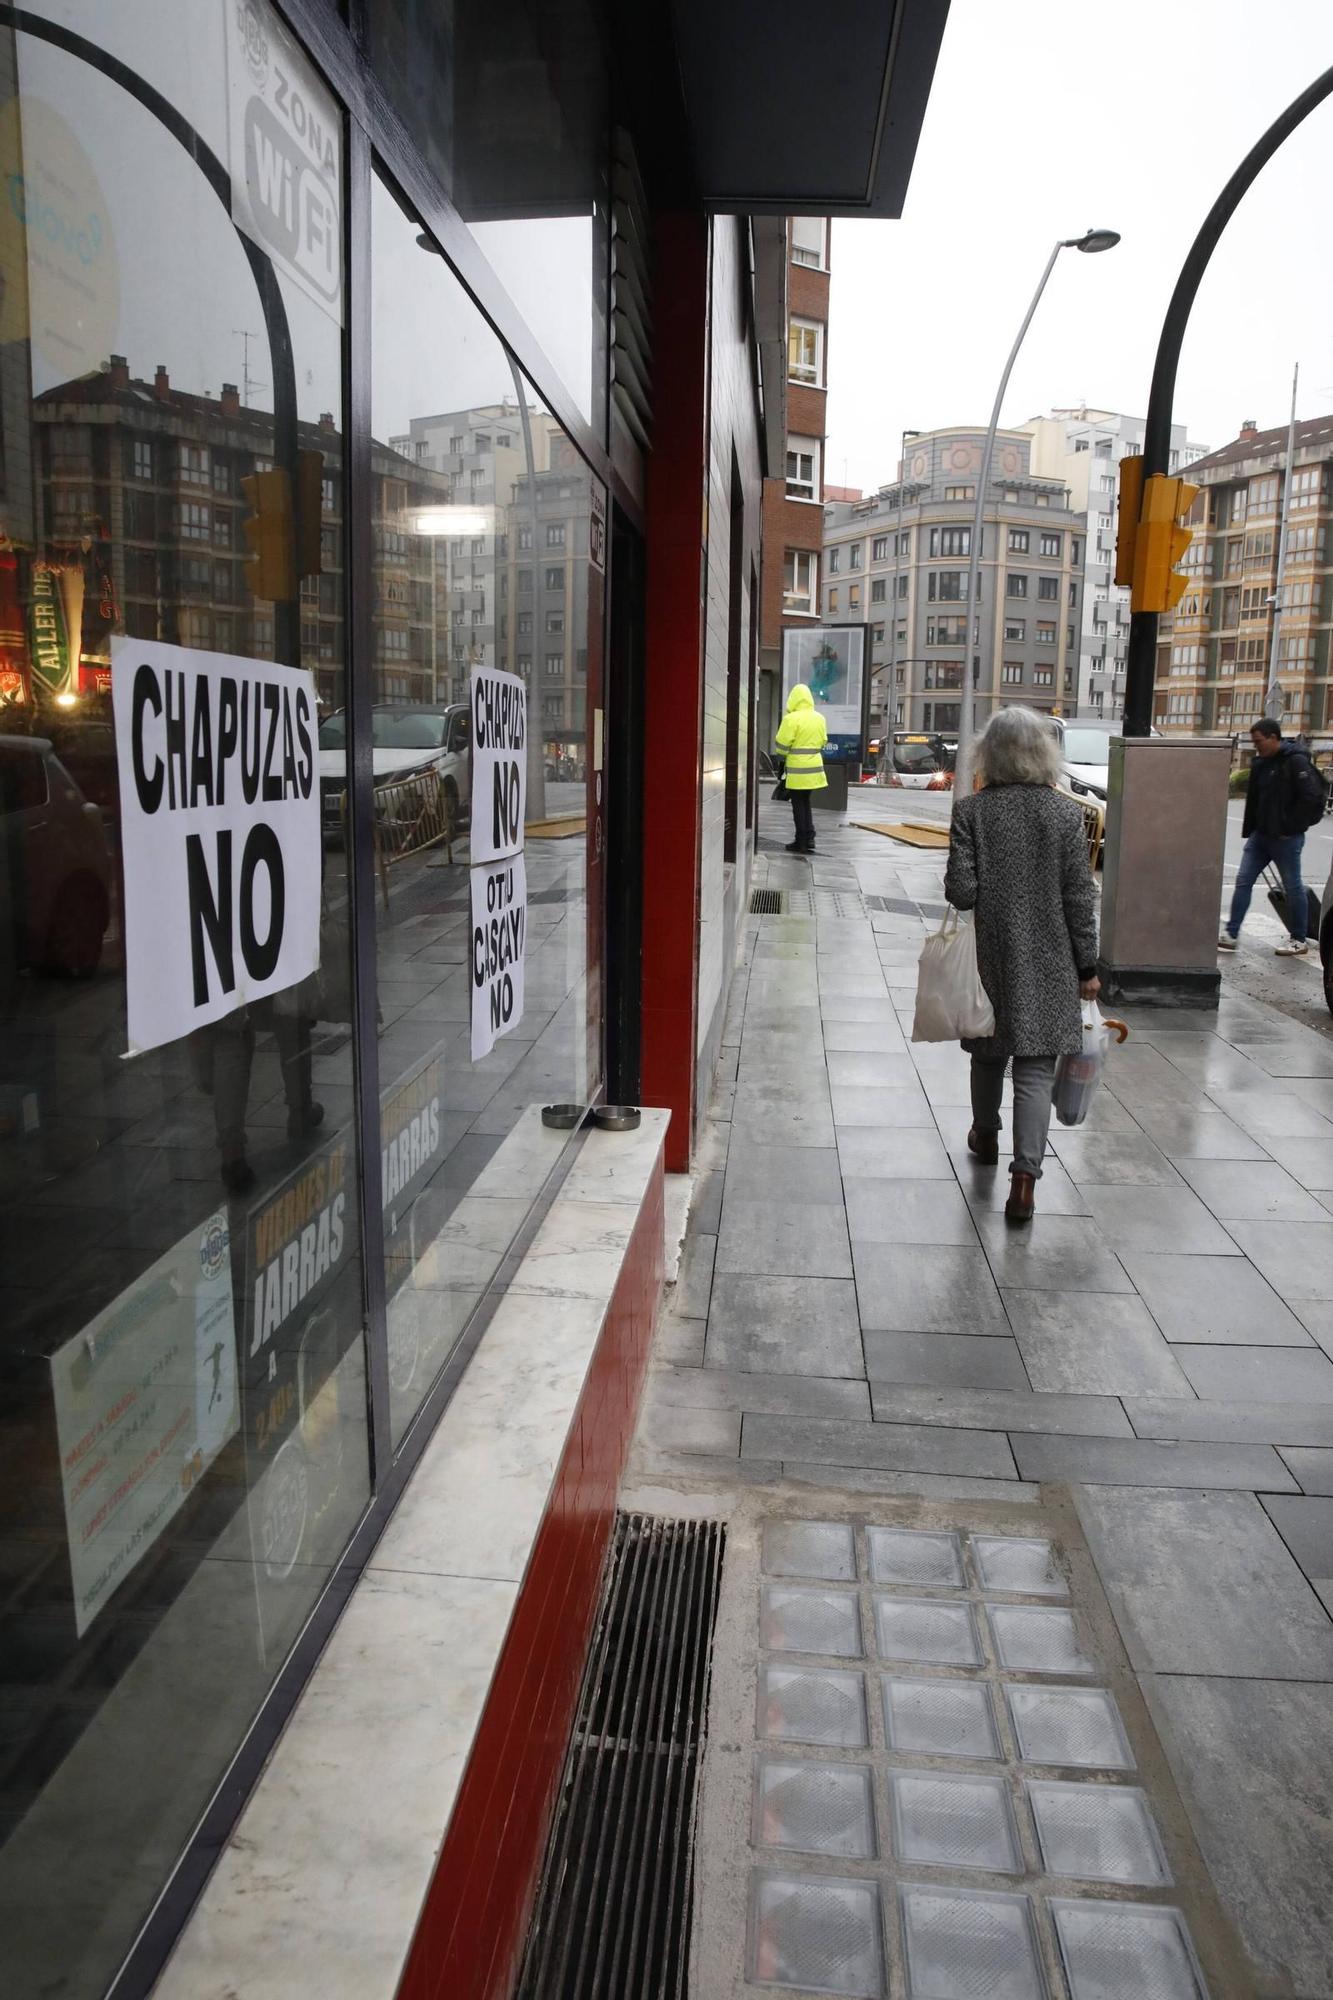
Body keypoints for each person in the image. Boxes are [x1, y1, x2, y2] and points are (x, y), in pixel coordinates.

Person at [945, 707, 1100, 1224]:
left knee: (988, 1053)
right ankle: (1024, 1182)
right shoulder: (1064, 815)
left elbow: (961, 891)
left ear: (988, 753)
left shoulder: (972, 812)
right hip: (1052, 959)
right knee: (1034, 1069)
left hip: (992, 955)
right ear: (1041, 753)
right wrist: (1088, 967)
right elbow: (1080, 898)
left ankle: (984, 1134)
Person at [1219, 717, 1326, 958]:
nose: (1256, 746)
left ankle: (1298, 939)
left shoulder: (1295, 761)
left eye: (1259, 742)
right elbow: (1256, 800)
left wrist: (1291, 827)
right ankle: (1231, 933)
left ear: (1273, 738)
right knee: (1243, 880)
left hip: (1286, 838)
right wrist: (1252, 829)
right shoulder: (1261, 763)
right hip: (1261, 837)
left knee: (1293, 886)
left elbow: (1312, 797)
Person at [775, 681, 828, 853]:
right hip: (815, 770)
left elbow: (781, 746)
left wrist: (785, 756)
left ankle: (801, 842)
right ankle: (810, 838)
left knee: (798, 805)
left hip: (798, 770)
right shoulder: (819, 718)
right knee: (806, 802)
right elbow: (823, 741)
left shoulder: (791, 719)